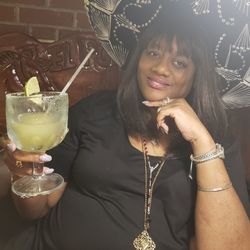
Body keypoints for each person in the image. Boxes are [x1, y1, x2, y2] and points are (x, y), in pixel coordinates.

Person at [2, 14, 250, 250]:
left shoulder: (216, 140)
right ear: (137, 58)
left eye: (179, 62)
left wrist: (202, 142)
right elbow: (35, 209)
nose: (161, 68)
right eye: (152, 52)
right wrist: (23, 177)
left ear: (197, 76)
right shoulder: (94, 110)